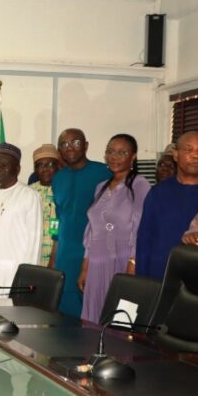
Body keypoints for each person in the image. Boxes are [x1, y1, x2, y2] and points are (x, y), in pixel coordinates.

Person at [77, 134, 151, 323]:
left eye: (121, 152)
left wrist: (132, 265)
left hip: (122, 262)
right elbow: (91, 231)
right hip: (96, 263)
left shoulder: (140, 185)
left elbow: (140, 228)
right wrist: (85, 268)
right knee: (92, 319)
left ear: (133, 156)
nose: (114, 157)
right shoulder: (101, 187)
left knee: (118, 321)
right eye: (110, 151)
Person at [136, 131, 198, 280]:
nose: (195, 155)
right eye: (188, 150)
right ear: (175, 154)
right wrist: (142, 278)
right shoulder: (158, 192)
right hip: (160, 275)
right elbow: (144, 239)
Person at [50, 128, 111, 317]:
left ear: (86, 145)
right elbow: (58, 220)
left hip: (93, 256)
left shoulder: (103, 173)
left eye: (76, 142)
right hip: (65, 257)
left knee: (92, 316)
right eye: (64, 144)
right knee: (64, 316)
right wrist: (53, 260)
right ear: (59, 150)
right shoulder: (58, 178)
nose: (70, 148)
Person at [0, 143, 42, 300]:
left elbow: (34, 241)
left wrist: (27, 278)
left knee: (9, 319)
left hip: (12, 271)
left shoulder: (29, 195)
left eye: (4, 165)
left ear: (17, 169)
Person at [30, 144, 60, 267]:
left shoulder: (64, 189)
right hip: (34, 252)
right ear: (35, 169)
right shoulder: (29, 192)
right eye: (40, 165)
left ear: (58, 167)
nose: (45, 169)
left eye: (50, 165)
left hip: (58, 251)